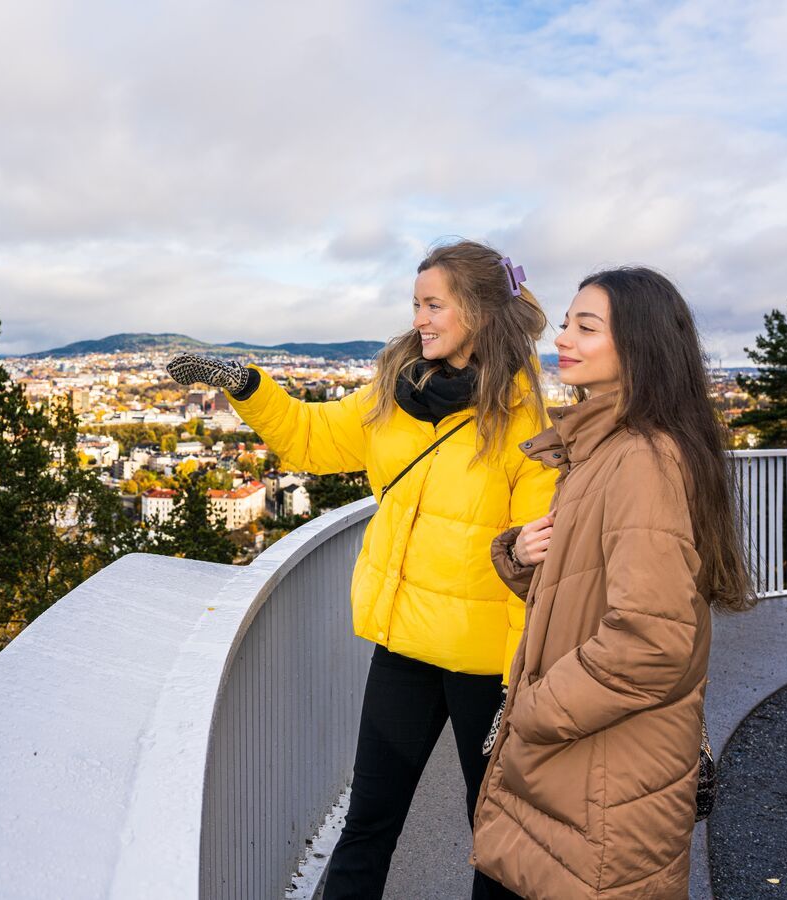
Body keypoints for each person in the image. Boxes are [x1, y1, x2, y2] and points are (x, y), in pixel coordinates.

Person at [168, 239, 553, 900]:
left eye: (435, 305)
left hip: (488, 666)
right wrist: (247, 386)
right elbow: (310, 439)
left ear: (481, 313)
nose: (420, 319)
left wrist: (523, 687)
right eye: (416, 304)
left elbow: (532, 572)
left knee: (494, 840)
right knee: (367, 826)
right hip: (404, 646)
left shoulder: (523, 422)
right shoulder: (393, 394)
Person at [471, 268, 755, 899]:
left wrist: (534, 710)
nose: (563, 338)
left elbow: (651, 639)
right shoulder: (607, 447)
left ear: (639, 345)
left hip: (600, 769)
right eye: (567, 322)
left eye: (585, 326)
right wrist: (521, 556)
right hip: (593, 764)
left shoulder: (640, 460)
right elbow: (594, 592)